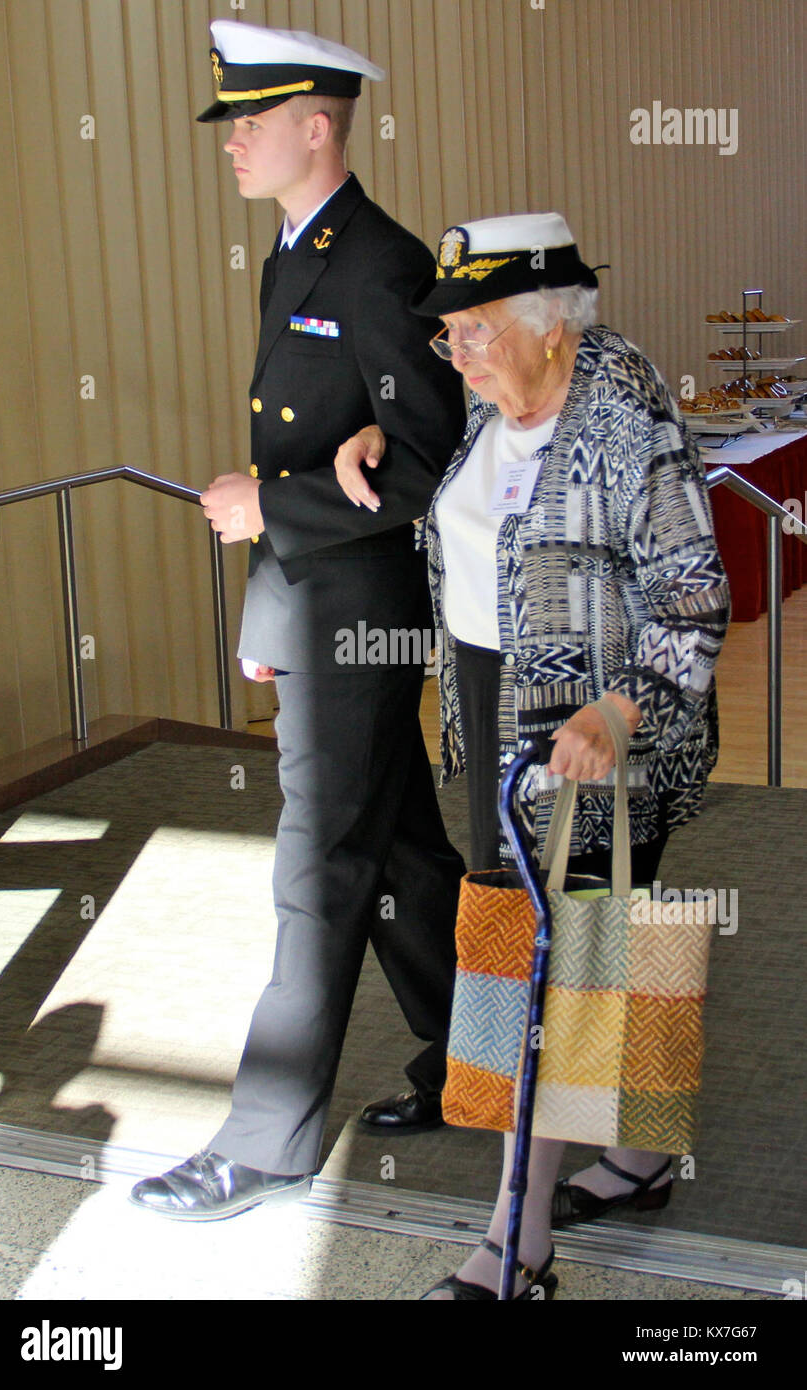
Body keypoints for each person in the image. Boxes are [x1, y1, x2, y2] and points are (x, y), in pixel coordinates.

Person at [335, 212, 730, 1298]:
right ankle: (641, 1156)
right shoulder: (493, 400)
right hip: (493, 711)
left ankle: (516, 1244)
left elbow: (696, 594)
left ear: (552, 327)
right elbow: (470, 503)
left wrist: (617, 708)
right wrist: (377, 447)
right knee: (599, 940)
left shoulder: (618, 414)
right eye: (446, 334)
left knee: (545, 963)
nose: (452, 354)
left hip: (593, 738)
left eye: (472, 330)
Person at [129, 20, 467, 1221]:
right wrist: (272, 574)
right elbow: (327, 442)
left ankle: (266, 1140)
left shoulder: (378, 262)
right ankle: (475, 1069)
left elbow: (427, 459)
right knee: (403, 858)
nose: (234, 142)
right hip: (318, 601)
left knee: (316, 868)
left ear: (316, 127)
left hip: (362, 617)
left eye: (252, 121)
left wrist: (266, 502)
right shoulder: (291, 253)